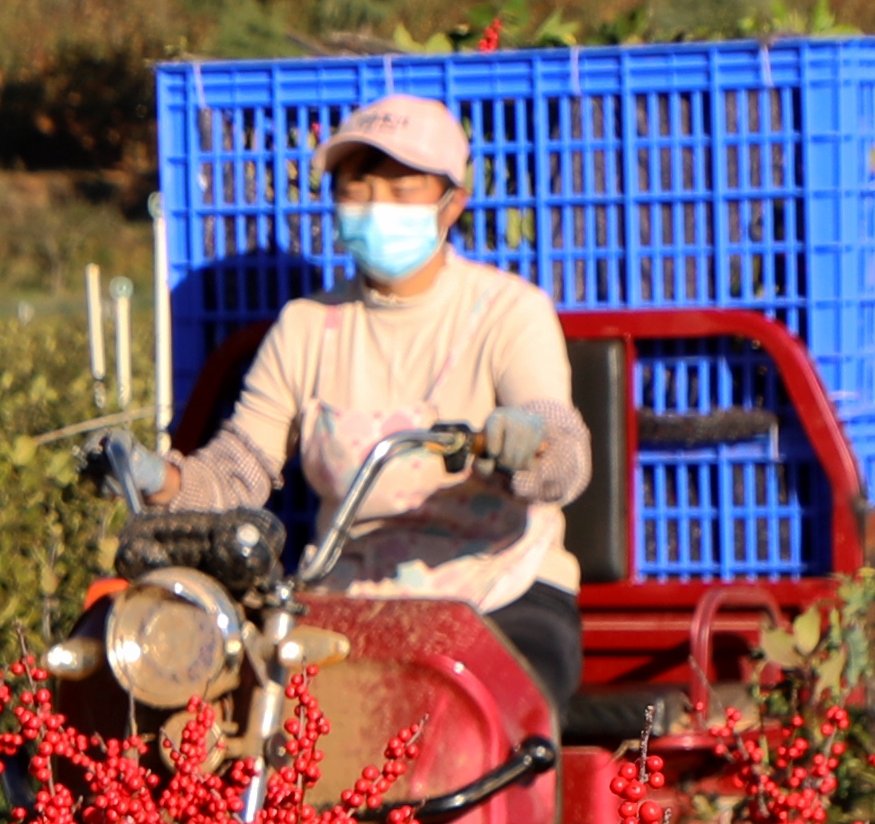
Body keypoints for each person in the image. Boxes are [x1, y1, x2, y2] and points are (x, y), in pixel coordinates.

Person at [161, 90, 597, 713]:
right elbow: (240, 468)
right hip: (345, 597)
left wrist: (525, 446)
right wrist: (164, 482)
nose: (376, 208)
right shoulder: (307, 325)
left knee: (460, 721)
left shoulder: (508, 311)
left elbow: (564, 453)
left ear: (452, 204)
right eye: (358, 189)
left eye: (403, 190)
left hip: (499, 590)